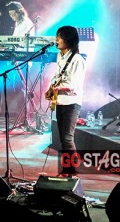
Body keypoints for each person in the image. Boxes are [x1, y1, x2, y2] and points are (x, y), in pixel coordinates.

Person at [46, 25, 85, 177]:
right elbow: (58, 76)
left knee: (68, 138)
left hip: (71, 102)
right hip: (60, 101)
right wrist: (51, 87)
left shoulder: (77, 59)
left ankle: (72, 170)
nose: (56, 40)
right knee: (63, 138)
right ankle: (66, 169)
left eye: (59, 37)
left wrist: (57, 88)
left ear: (68, 40)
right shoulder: (60, 56)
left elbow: (74, 84)